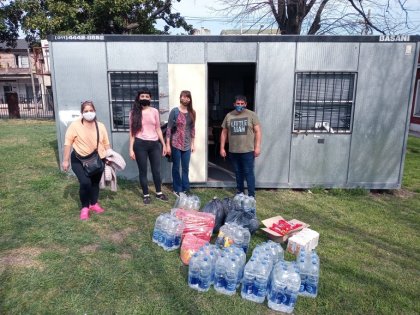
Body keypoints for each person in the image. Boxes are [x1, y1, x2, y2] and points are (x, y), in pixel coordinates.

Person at [62, 101, 111, 220]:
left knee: (95, 183)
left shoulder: (101, 126)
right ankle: (85, 207)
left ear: (95, 111)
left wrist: (109, 157)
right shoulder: (75, 126)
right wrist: (65, 160)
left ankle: (93, 204)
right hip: (78, 159)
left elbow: (106, 144)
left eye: (91, 110)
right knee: (85, 182)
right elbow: (68, 143)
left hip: (97, 159)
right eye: (86, 111)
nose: (89, 113)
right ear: (82, 113)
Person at [129, 88, 168, 204]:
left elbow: (158, 128)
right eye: (142, 96)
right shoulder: (133, 113)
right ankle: (146, 194)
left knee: (156, 170)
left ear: (150, 98)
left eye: (147, 96)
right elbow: (132, 132)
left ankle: (159, 193)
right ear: (139, 98)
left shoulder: (154, 111)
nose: (145, 98)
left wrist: (164, 144)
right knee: (143, 171)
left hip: (154, 144)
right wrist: (130, 149)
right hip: (140, 144)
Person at [220, 95, 262, 198]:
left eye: (242, 104)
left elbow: (258, 131)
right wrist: (222, 148)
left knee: (248, 173)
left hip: (248, 150)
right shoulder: (229, 115)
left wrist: (257, 147)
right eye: (238, 104)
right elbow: (224, 132)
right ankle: (240, 193)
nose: (240, 106)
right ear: (234, 104)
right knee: (238, 173)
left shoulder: (252, 115)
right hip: (233, 151)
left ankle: (251, 196)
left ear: (245, 104)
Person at [166, 90, 196, 196]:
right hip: (175, 143)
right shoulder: (174, 111)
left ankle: (185, 188)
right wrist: (167, 145)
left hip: (187, 144)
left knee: (185, 167)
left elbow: (192, 129)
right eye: (183, 97)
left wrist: (193, 144)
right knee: (176, 166)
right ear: (180, 98)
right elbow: (169, 128)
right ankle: (177, 189)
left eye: (188, 97)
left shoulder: (192, 112)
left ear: (190, 99)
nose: (185, 99)